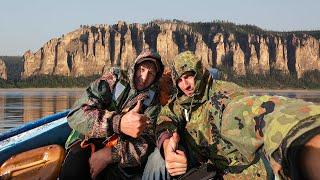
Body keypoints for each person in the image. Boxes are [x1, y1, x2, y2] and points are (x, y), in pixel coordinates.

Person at [142, 51, 320, 180]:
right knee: (156, 159)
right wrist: (167, 143)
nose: (185, 85)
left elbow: (258, 110)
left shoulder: (223, 96)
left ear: (200, 72)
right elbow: (166, 117)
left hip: (243, 172)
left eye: (189, 76)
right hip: (208, 169)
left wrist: (304, 133)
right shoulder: (182, 101)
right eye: (179, 80)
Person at [60, 48, 164, 180]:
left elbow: (145, 144)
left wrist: (110, 155)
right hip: (86, 142)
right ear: (135, 67)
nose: (144, 78)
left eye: (151, 74)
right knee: (73, 173)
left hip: (119, 156)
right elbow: (76, 115)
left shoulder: (152, 104)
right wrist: (117, 123)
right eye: (142, 70)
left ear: (156, 78)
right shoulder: (113, 80)